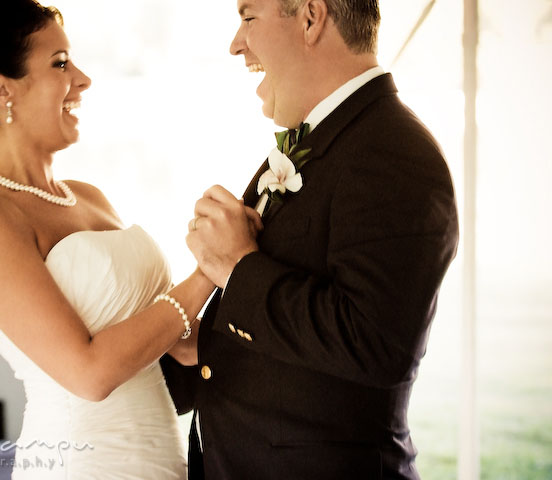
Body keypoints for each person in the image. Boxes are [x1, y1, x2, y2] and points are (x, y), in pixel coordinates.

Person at [0, 1, 260, 478]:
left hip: (165, 460)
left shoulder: (88, 196)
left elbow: (178, 344)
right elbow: (90, 372)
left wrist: (273, 309)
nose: (82, 79)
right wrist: (207, 270)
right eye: (60, 63)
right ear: (0, 89)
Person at [174, 0, 459, 478]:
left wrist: (238, 270)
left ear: (310, 17)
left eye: (247, 18)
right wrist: (198, 342)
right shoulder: (318, 145)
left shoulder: (392, 150)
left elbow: (376, 344)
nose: (235, 44)